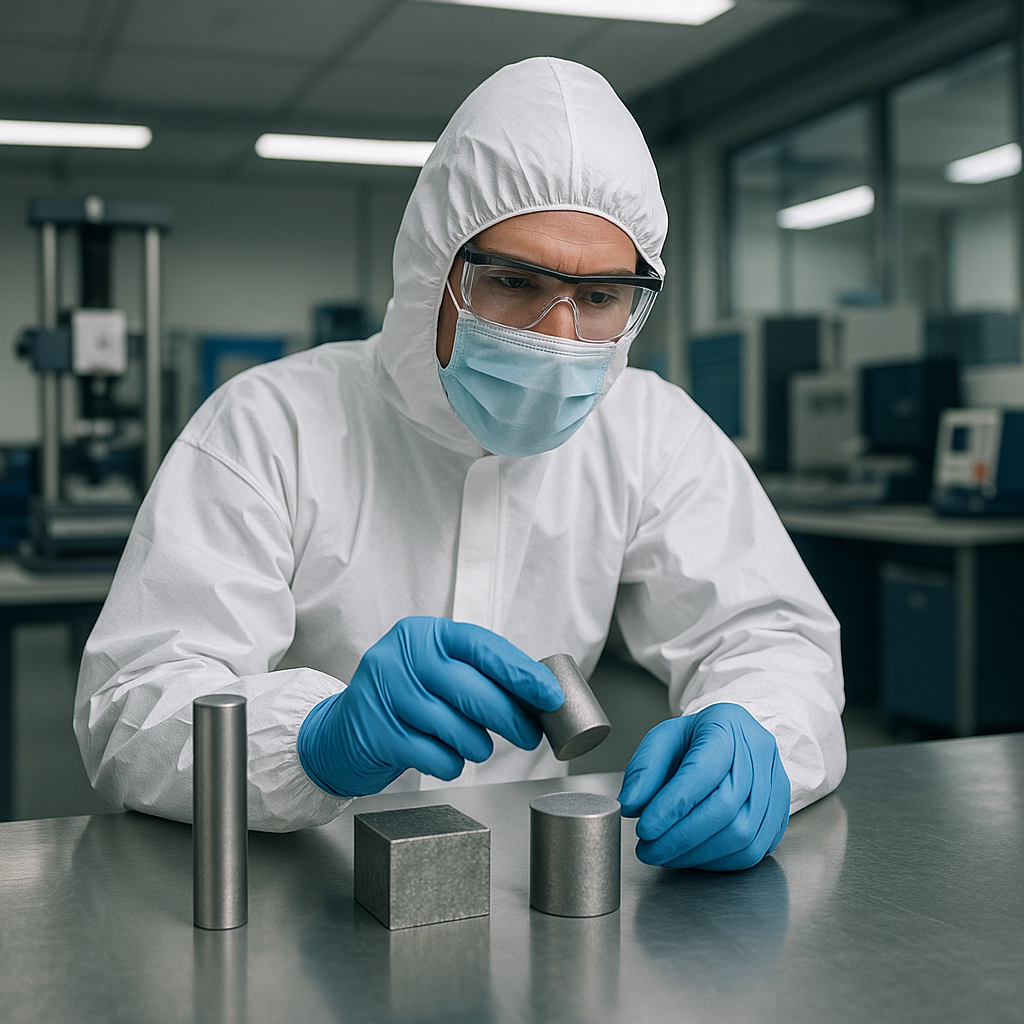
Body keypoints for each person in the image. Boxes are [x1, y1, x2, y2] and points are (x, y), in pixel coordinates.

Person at [74, 57, 846, 872]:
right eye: (515, 281)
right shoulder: (270, 426)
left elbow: (767, 634)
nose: (558, 338)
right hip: (295, 878)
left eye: (599, 299)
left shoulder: (651, 430)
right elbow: (133, 705)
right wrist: (309, 742)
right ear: (432, 272)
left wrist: (757, 732)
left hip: (533, 878)